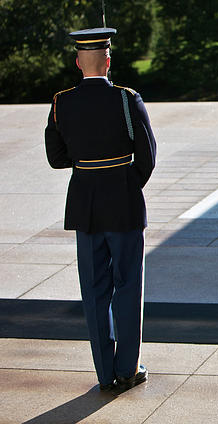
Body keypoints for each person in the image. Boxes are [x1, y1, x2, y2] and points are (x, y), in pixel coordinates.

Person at [44, 27, 157, 394]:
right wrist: (125, 184)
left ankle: (104, 373)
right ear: (108, 60)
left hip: (85, 206)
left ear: (78, 62)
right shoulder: (127, 98)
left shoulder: (62, 101)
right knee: (127, 285)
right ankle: (128, 368)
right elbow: (148, 156)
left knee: (94, 290)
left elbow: (56, 157)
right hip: (122, 204)